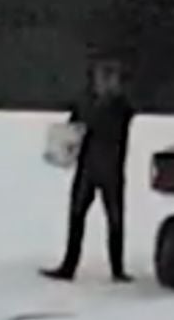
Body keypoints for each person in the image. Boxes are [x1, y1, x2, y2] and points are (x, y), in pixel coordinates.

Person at [47, 57, 135, 281]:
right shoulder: (85, 103)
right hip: (87, 168)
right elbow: (73, 129)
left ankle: (117, 269)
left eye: (109, 77)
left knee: (114, 220)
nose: (104, 82)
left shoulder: (121, 106)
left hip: (110, 169)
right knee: (76, 216)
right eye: (101, 76)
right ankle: (69, 265)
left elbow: (107, 127)